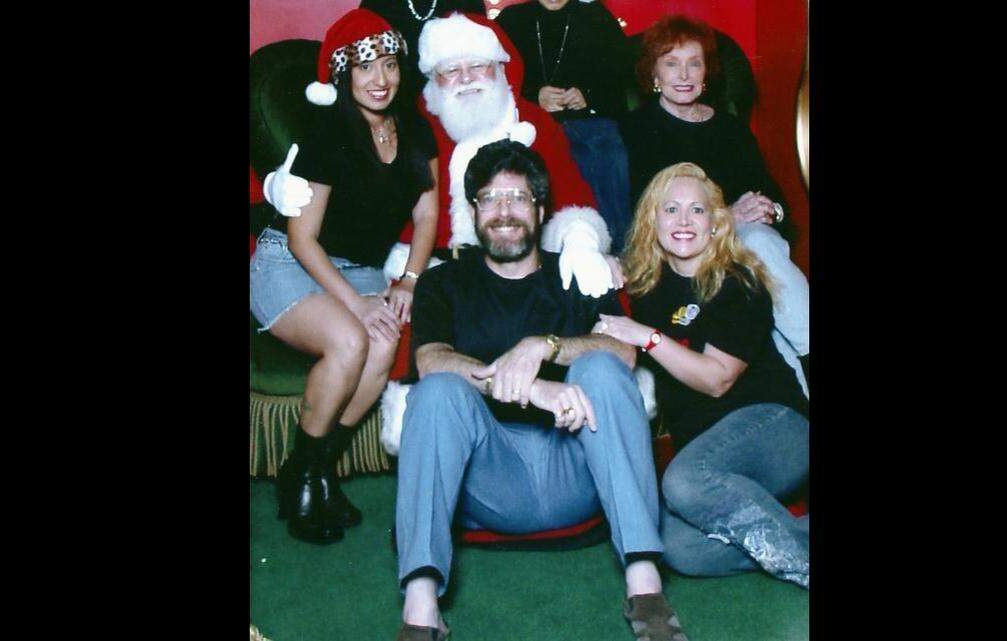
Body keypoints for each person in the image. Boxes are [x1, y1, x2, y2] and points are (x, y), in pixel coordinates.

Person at [394, 140, 689, 641]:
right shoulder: (444, 282)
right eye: (489, 198)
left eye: (517, 197)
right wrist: (533, 389)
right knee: (436, 392)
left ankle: (646, 588)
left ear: (540, 208)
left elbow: (624, 355)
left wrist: (545, 347)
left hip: (576, 465)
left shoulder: (573, 272)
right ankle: (421, 610)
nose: (503, 211)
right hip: (488, 475)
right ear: (473, 212)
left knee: (599, 366)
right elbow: (430, 360)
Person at [266, 11, 618, 300]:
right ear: (434, 79)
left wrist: (582, 244)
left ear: (499, 67)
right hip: (438, 270)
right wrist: (277, 181)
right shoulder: (419, 124)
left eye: (478, 65)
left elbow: (574, 198)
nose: (465, 78)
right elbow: (365, 177)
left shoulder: (533, 121)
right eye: (450, 70)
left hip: (525, 266)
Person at [250, 8, 439, 544]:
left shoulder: (415, 129)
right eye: (364, 68)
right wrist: (357, 305)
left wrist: (407, 281)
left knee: (384, 347)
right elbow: (301, 238)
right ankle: (308, 476)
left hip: (359, 270)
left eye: (388, 65)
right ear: (343, 75)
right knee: (352, 340)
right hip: (288, 264)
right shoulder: (328, 134)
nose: (380, 80)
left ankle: (310, 470)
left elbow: (426, 215)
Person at [596, 162, 809, 588]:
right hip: (712, 455)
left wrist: (648, 338)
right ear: (651, 221)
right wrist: (603, 262)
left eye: (697, 210)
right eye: (670, 209)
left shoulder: (739, 281)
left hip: (775, 428)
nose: (683, 221)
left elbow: (716, 379)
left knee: (684, 480)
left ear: (716, 222)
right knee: (681, 549)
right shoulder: (646, 288)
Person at [619, 13, 809, 392]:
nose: (684, 74)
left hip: (747, 242)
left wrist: (771, 209)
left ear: (707, 74)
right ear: (653, 75)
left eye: (694, 63)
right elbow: (650, 213)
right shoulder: (637, 131)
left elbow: (775, 197)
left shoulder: (729, 128)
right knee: (755, 243)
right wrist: (727, 216)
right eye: (671, 64)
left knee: (759, 242)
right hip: (686, 246)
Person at [496, 0, 633, 253]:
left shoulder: (595, 15)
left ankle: (616, 254)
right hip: (530, 123)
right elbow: (497, 80)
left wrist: (588, 96)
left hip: (590, 124)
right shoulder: (512, 19)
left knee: (606, 152)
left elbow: (621, 77)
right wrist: (534, 96)